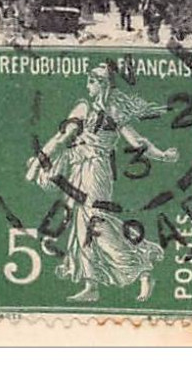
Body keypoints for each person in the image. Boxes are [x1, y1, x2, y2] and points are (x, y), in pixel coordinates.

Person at [25, 64, 179, 302]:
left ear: (103, 84)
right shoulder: (84, 108)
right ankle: (92, 285)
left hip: (96, 169)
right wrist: (40, 160)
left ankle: (141, 267)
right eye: (88, 81)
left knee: (96, 222)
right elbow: (62, 139)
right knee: (81, 224)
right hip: (78, 167)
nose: (88, 86)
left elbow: (137, 142)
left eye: (92, 81)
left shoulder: (113, 111)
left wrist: (163, 155)